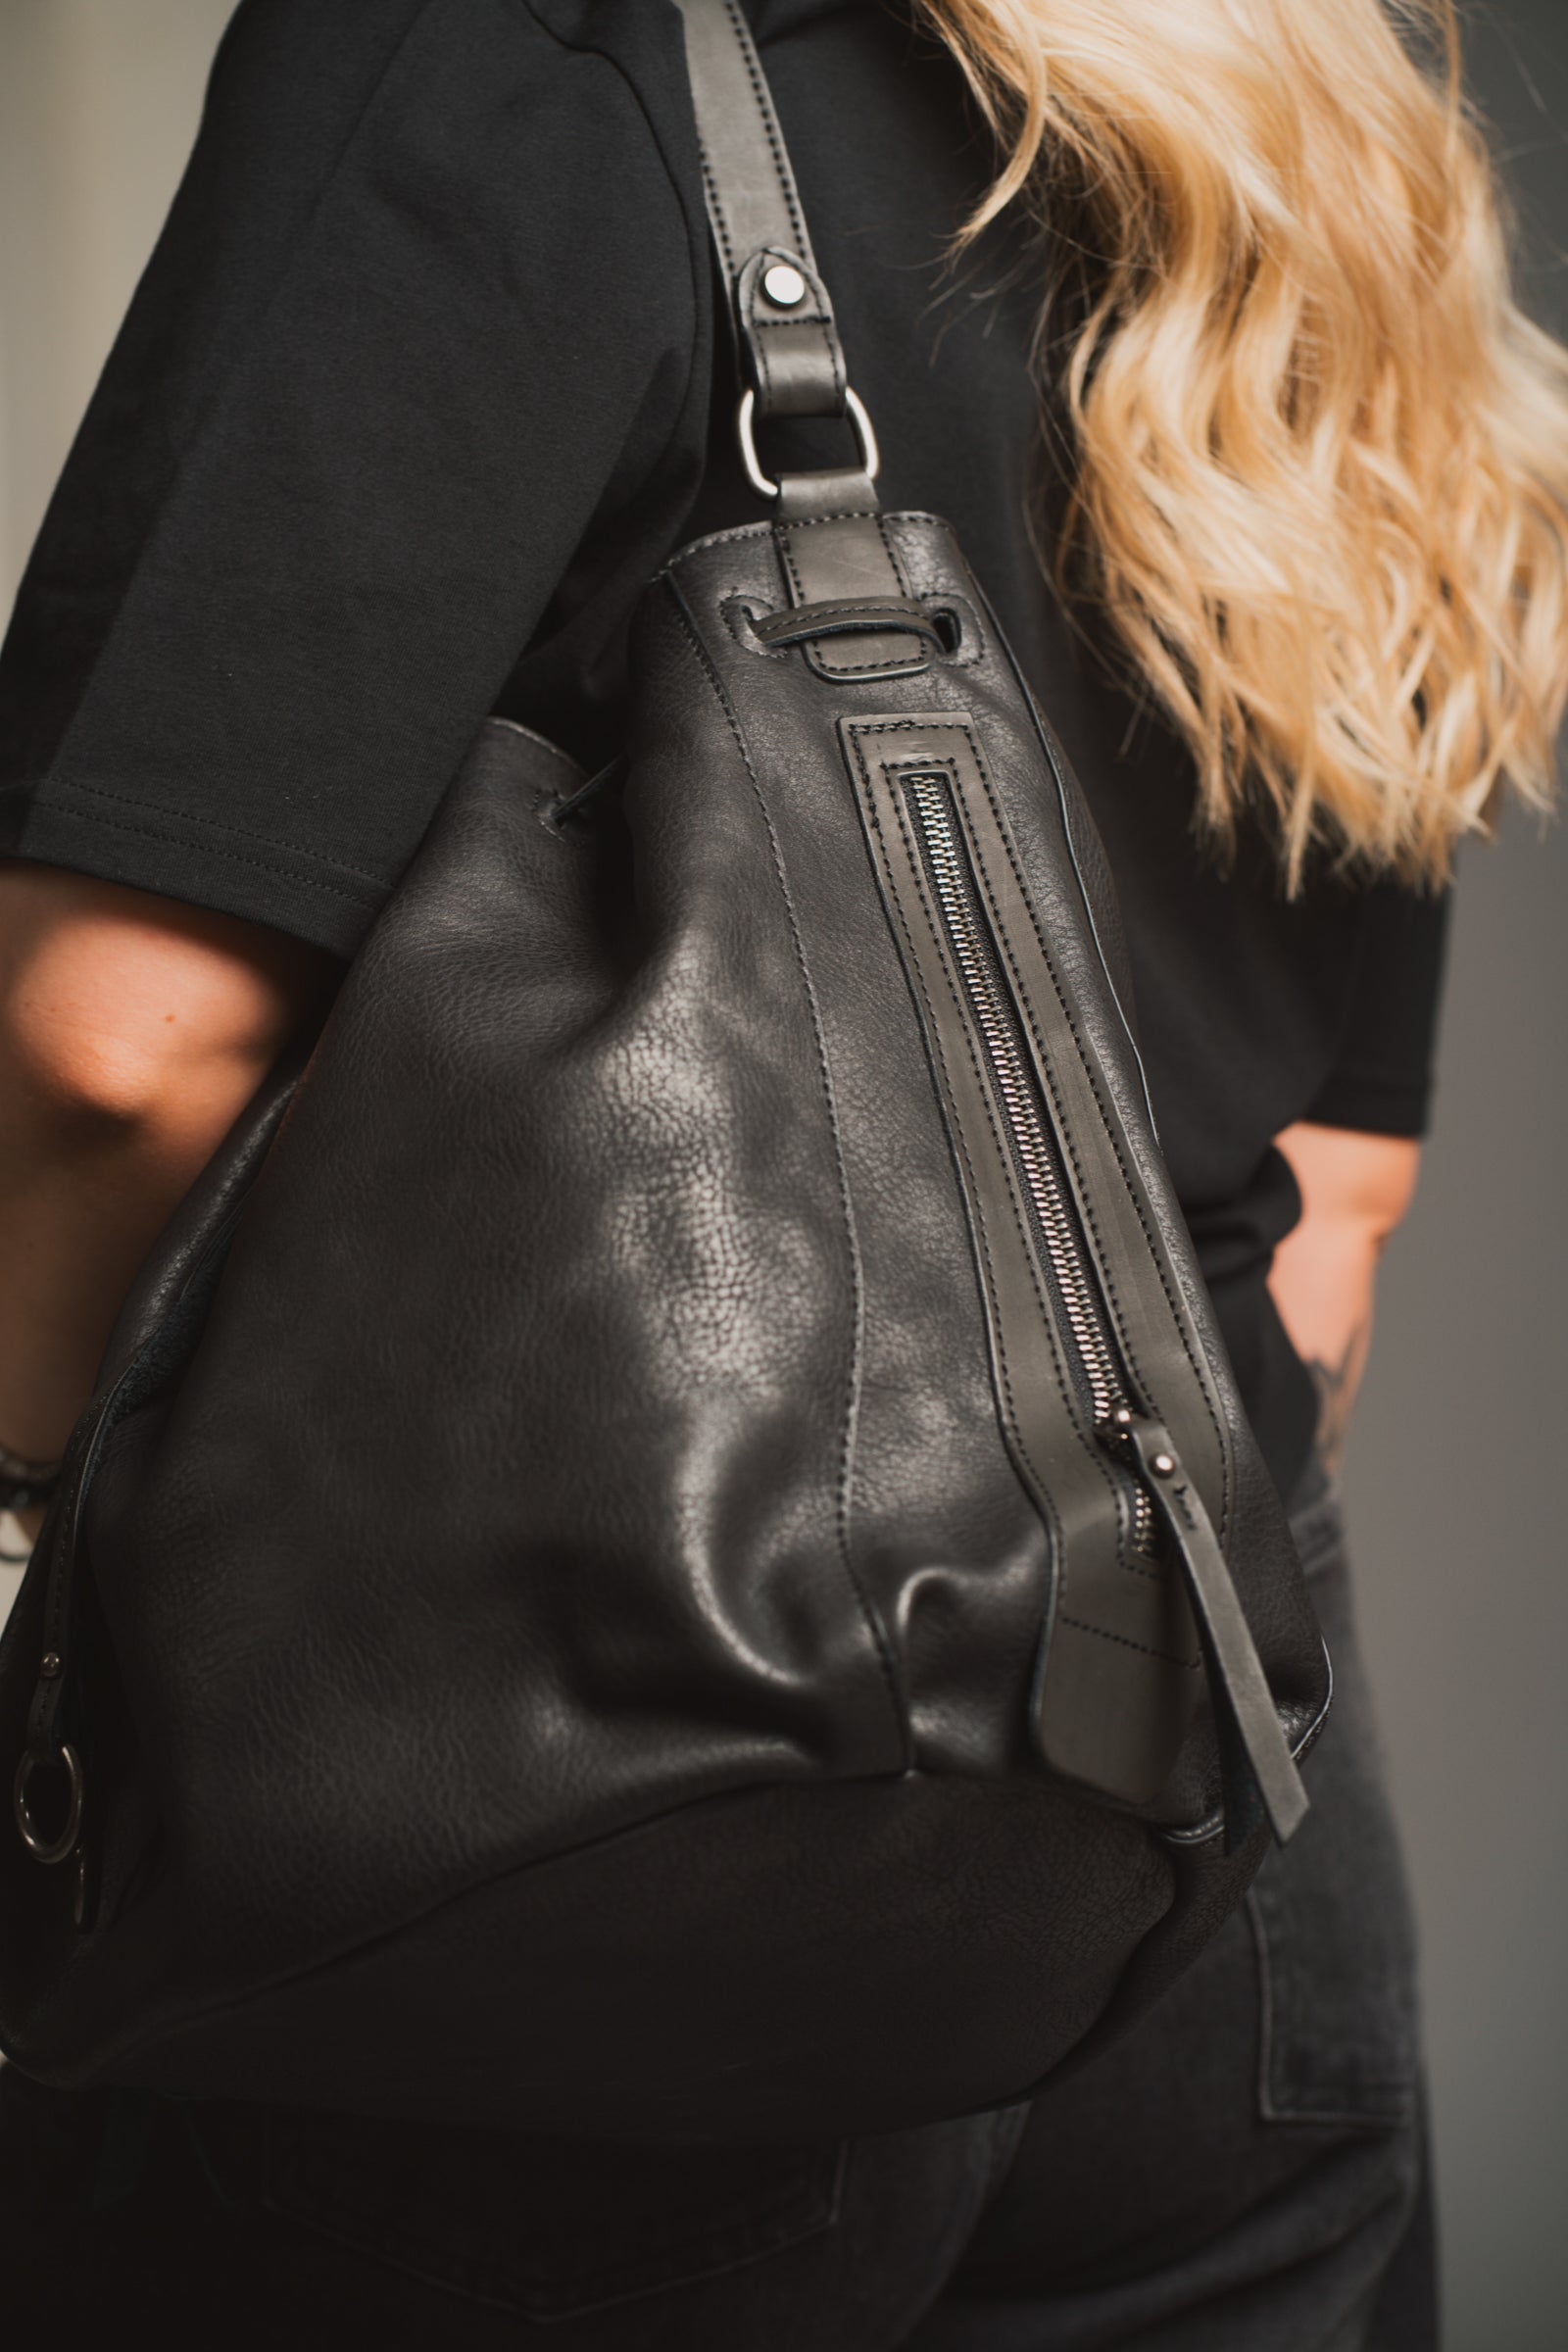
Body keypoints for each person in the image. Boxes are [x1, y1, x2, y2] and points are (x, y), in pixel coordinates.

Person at [1, 1, 1564, 2343]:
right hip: (1210, 1805)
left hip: (584, 1757)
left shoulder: (507, 47)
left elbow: (117, 1051)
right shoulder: (1319, 146)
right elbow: (1336, 1201)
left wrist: (42, 1542)